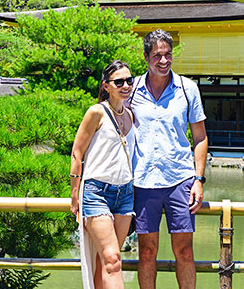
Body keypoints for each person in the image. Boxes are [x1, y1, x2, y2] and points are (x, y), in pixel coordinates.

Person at [129, 29, 208, 289]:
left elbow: (200, 137)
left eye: (168, 54)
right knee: (147, 252)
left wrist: (198, 179)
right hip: (143, 180)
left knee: (184, 251)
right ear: (146, 57)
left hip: (180, 179)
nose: (163, 61)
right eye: (157, 56)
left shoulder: (188, 88)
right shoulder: (132, 90)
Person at [70, 60, 135, 289]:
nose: (125, 85)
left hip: (125, 193)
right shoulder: (96, 112)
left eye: (129, 80)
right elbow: (77, 152)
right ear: (106, 86)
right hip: (96, 191)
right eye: (119, 81)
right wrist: (75, 192)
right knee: (112, 259)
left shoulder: (130, 115)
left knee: (105, 260)